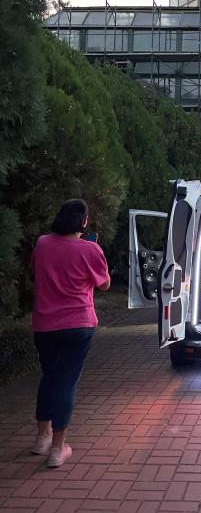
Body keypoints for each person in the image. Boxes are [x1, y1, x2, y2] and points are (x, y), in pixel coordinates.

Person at [29, 199, 110, 468]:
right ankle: (57, 448)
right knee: (66, 383)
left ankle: (42, 438)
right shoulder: (91, 249)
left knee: (49, 378)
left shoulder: (42, 243)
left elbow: (34, 271)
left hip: (44, 324)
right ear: (84, 222)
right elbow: (104, 285)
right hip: (78, 325)